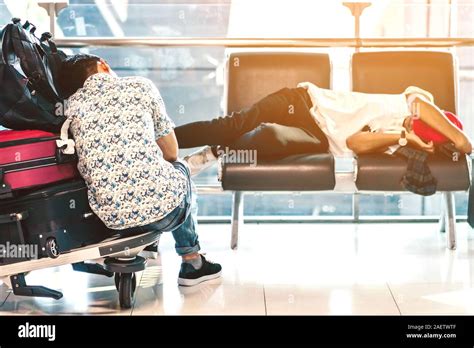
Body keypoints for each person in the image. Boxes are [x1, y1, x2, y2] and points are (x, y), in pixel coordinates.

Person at [58, 54, 221, 287]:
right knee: (180, 169)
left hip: (109, 220)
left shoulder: (70, 107)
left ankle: (150, 245)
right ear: (103, 65)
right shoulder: (140, 86)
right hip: (166, 213)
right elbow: (171, 153)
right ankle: (192, 261)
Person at [176, 84, 472, 175]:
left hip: (317, 138)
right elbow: (462, 142)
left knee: (270, 137)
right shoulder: (411, 102)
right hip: (301, 102)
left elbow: (354, 142)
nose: (412, 122)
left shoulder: (397, 141)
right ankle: (164, 138)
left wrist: (405, 136)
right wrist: (453, 138)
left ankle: (215, 152)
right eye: (416, 121)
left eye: (416, 127)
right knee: (233, 125)